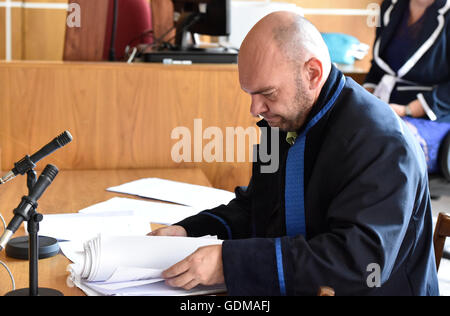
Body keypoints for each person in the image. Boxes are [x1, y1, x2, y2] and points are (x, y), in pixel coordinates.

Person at [150, 11, 439, 296]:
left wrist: (230, 263)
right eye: (250, 94)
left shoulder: (382, 142)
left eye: (268, 93)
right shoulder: (282, 121)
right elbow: (256, 208)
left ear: (312, 73)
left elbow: (362, 264)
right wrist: (189, 231)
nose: (255, 109)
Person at [364, 0, 450, 176]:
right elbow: (378, 67)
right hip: (386, 106)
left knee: (388, 143)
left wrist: (407, 110)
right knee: (343, 130)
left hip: (434, 115)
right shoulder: (390, 5)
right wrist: (362, 100)